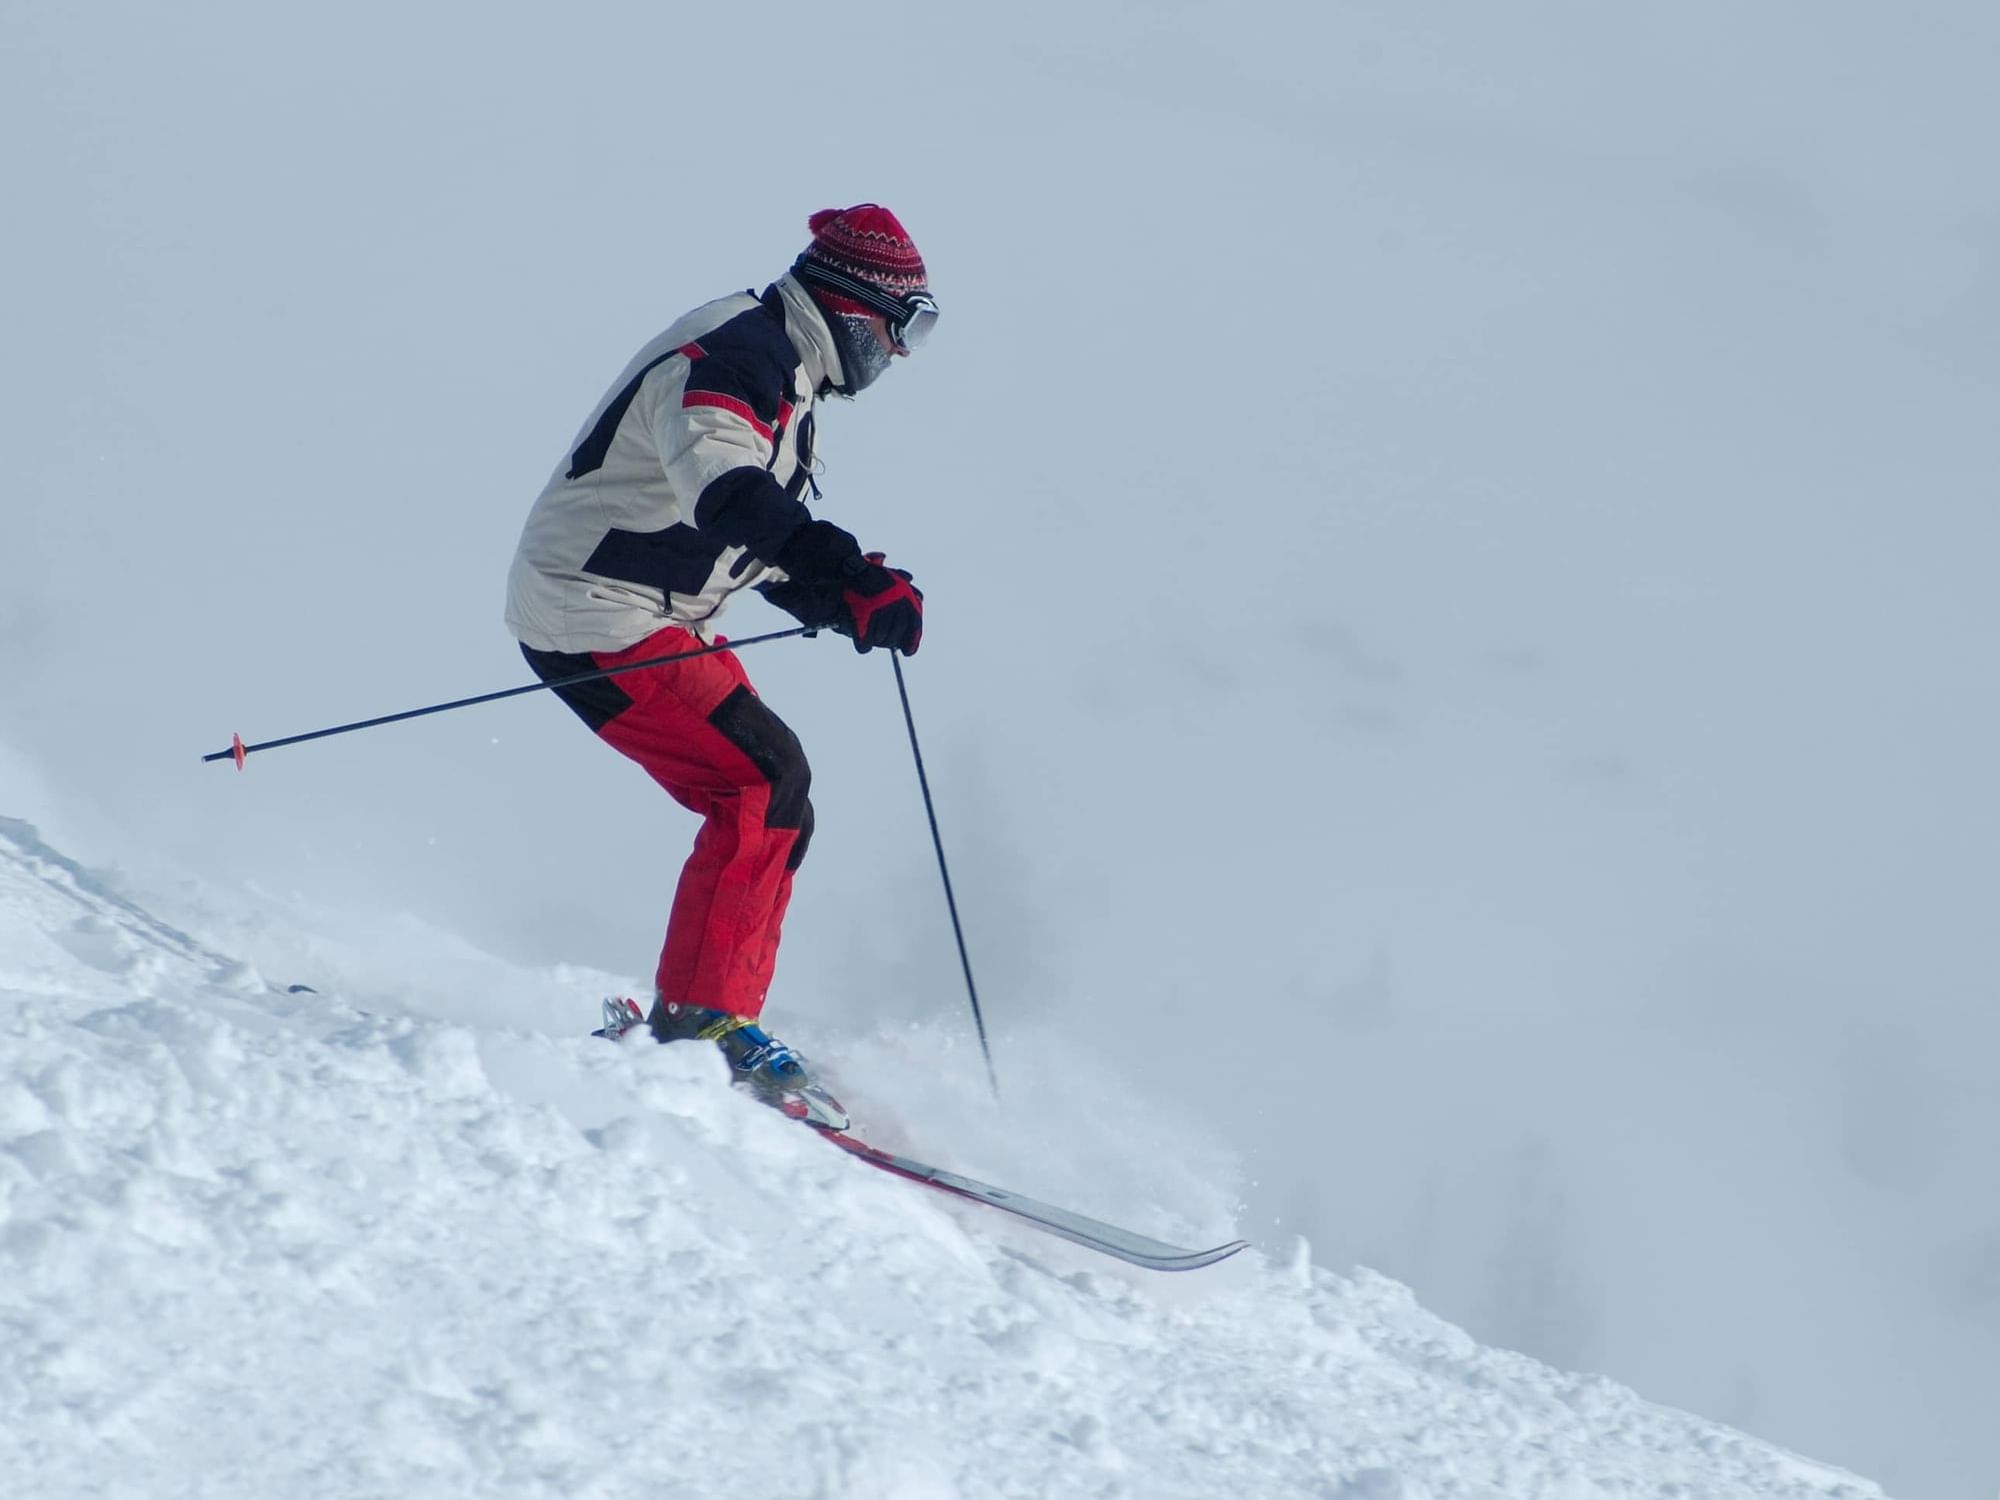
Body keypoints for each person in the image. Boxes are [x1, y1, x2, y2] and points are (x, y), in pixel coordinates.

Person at [504, 205, 937, 1125]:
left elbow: (752, 533)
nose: (901, 356)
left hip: (641, 608)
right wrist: (845, 571)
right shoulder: (739, 357)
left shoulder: (782, 365)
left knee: (775, 793)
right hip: (599, 611)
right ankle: (701, 1026)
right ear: (858, 309)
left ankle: (701, 1017)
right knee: (760, 780)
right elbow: (728, 495)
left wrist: (837, 595)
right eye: (906, 329)